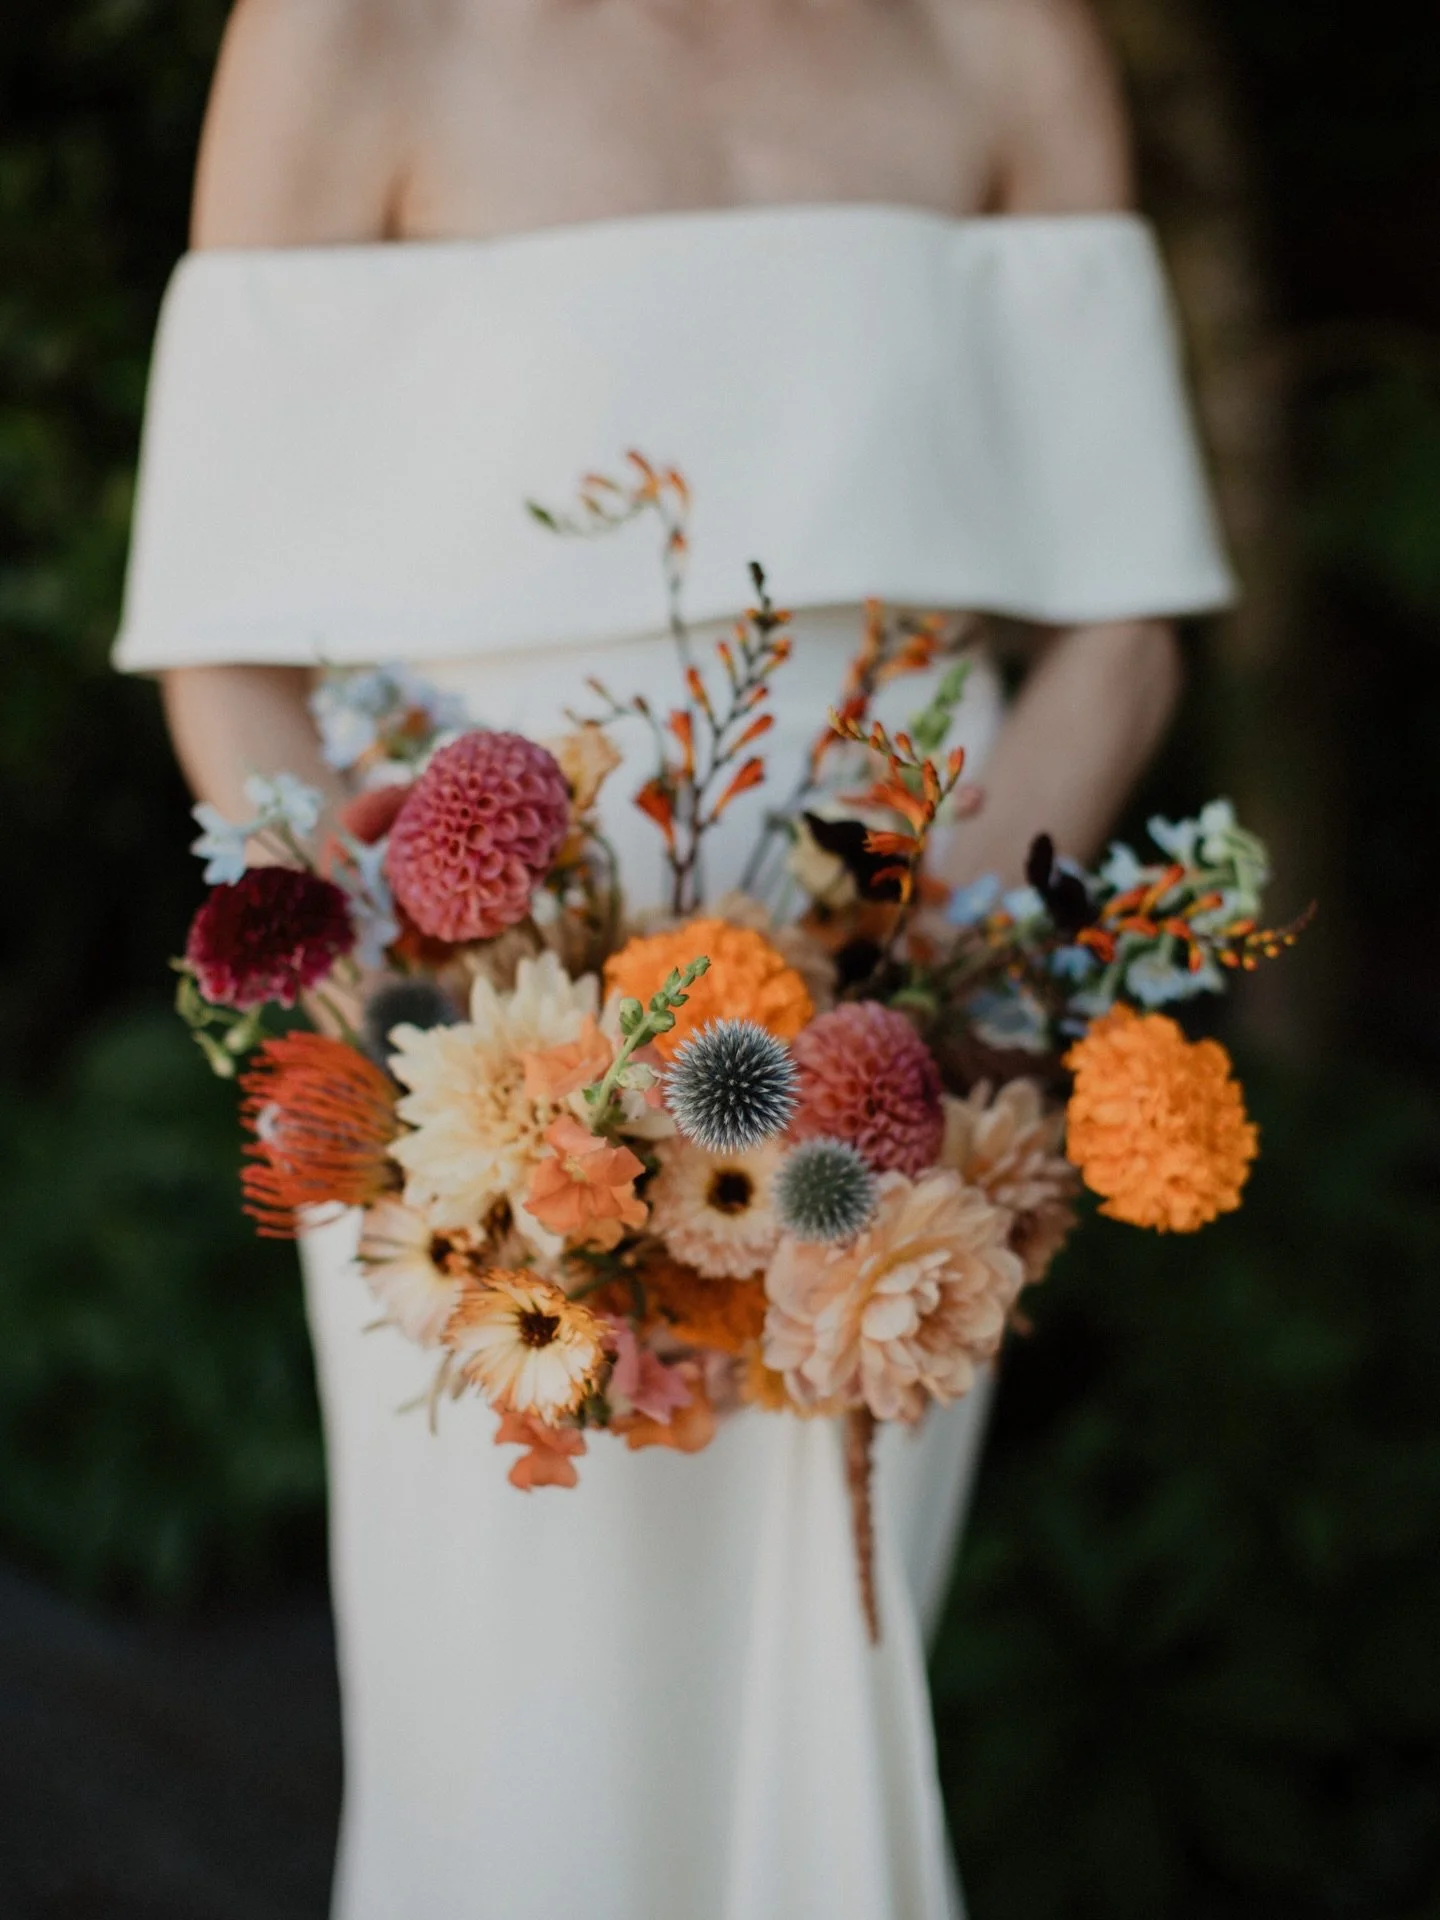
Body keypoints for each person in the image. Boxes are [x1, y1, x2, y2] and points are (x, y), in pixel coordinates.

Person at [114, 0, 1234, 1912]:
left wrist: (929, 987)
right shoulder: (343, 32)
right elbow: (222, 635)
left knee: (827, 1668)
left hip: (892, 1070)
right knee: (509, 1729)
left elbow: (1125, 623)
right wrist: (414, 1051)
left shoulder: (1000, 35)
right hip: (480, 1069)